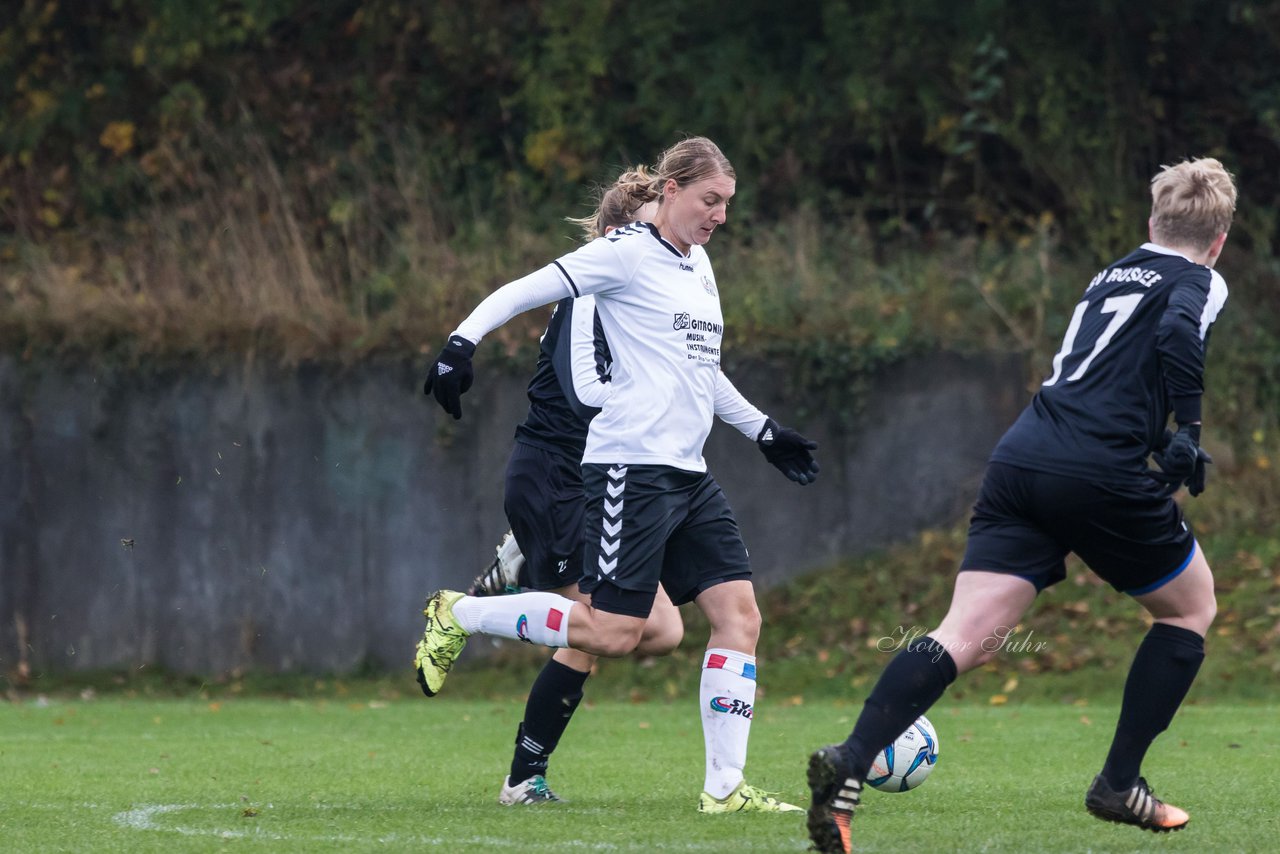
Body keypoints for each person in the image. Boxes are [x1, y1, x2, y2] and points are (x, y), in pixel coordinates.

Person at [806, 156, 1237, 854]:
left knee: (967, 630)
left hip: (1022, 454)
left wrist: (1158, 431)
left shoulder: (1109, 275)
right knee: (1190, 609)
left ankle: (852, 761)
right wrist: (1188, 431)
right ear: (1218, 240)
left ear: (1150, 223)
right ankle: (1119, 783)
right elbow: (1179, 332)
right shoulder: (1200, 277)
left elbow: (1111, 373)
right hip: (1096, 469)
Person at [418, 136, 820, 813]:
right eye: (709, 200)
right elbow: (525, 289)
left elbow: (700, 368)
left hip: (688, 474)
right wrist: (461, 343)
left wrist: (764, 431)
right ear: (671, 190)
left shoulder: (698, 266)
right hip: (630, 467)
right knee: (612, 632)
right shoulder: (625, 253)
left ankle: (725, 790)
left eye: (727, 204)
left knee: (738, 616)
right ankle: (462, 612)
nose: (720, 215)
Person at [478, 185, 687, 806]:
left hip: (598, 479)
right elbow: (581, 392)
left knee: (660, 629)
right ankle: (467, 613)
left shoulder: (649, 294)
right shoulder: (596, 291)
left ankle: (522, 776)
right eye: (656, 222)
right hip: (557, 479)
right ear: (626, 233)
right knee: (600, 631)